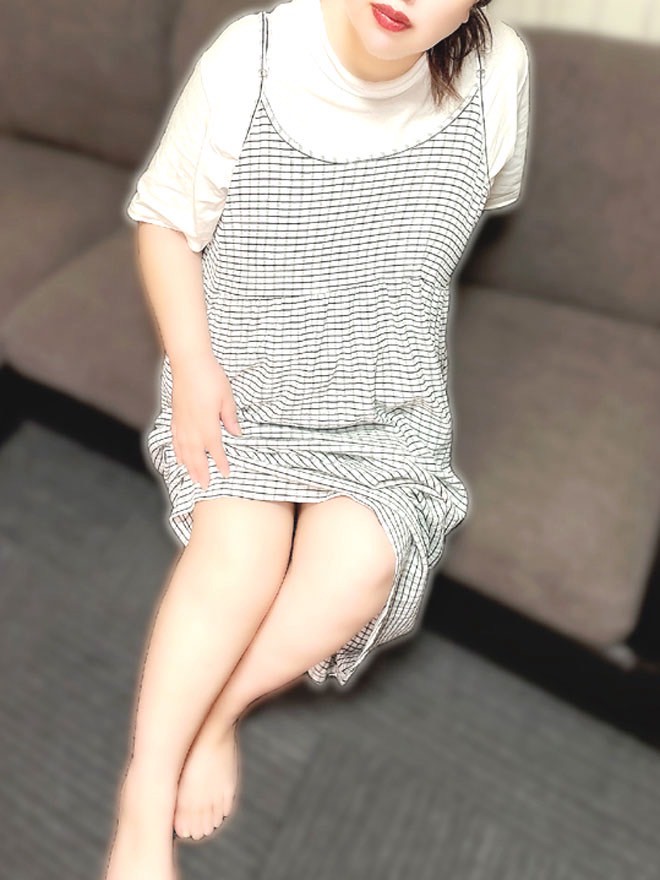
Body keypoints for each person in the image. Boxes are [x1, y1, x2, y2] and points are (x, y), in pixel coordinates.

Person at [103, 0, 530, 875]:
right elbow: (166, 222)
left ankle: (216, 716)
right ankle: (143, 799)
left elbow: (471, 203)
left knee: (360, 568)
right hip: (246, 376)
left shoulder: (500, 72)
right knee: (241, 559)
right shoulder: (253, 58)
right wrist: (195, 366)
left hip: (387, 395)